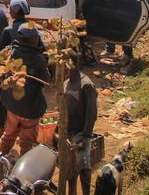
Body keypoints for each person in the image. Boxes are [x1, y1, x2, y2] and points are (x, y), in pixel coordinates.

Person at [0, 23, 51, 180]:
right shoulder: (38, 59)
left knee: (7, 137)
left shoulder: (13, 53)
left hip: (13, 107)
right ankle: (21, 178)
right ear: (34, 40)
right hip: (30, 111)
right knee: (26, 144)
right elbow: (46, 81)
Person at [0, 0, 32, 138]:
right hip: (29, 74)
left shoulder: (8, 30)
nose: (9, 11)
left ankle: (2, 130)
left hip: (12, 73)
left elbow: (1, 56)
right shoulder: (32, 27)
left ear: (14, 12)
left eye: (11, 9)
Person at [62, 51, 99, 195]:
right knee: (70, 168)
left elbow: (92, 113)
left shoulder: (86, 85)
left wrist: (85, 135)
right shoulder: (65, 83)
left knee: (83, 165)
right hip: (68, 131)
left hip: (81, 132)